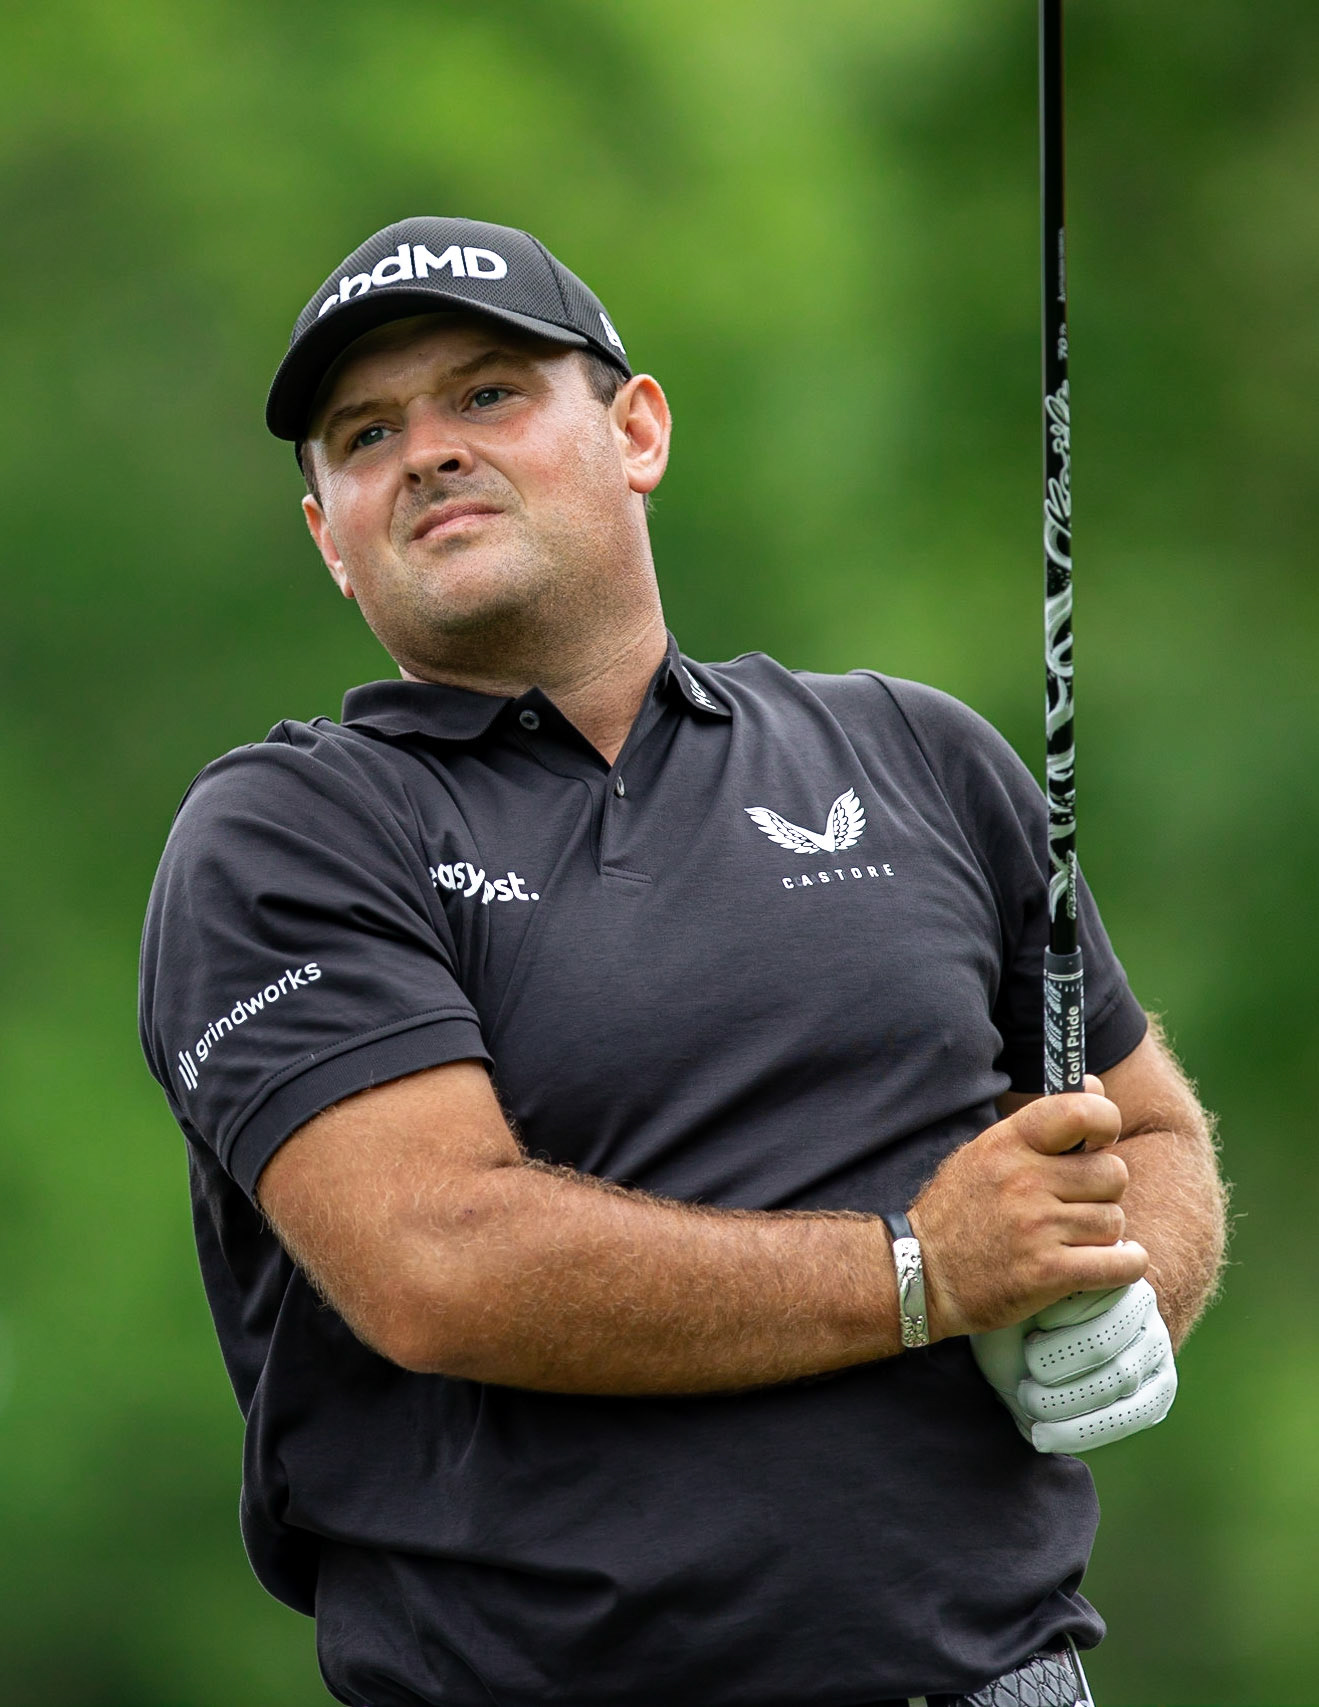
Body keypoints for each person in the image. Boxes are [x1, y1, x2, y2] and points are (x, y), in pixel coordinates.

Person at [139, 216, 1227, 1707]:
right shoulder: (291, 833)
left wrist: (1120, 1283)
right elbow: (437, 1259)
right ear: (330, 533)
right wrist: (923, 1274)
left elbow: (1146, 1126)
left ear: (637, 431)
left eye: (488, 394)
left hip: (998, 1681)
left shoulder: (912, 750)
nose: (430, 451)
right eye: (367, 435)